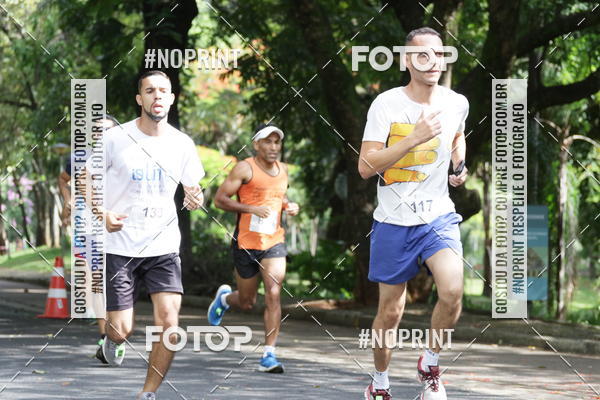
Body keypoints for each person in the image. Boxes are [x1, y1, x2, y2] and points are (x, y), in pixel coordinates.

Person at [358, 27, 469, 400]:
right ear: (407, 61)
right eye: (423, 55)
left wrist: (459, 165)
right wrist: (413, 138)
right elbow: (365, 166)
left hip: (437, 217)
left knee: (452, 290)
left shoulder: (456, 102)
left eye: (439, 54)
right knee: (391, 312)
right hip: (393, 222)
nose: (432, 61)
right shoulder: (386, 105)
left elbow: (457, 136)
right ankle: (380, 382)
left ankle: (430, 363)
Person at [89, 70, 205, 400]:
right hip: (120, 246)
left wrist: (196, 197)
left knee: (169, 323)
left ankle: (148, 393)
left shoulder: (182, 144)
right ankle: (112, 339)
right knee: (120, 330)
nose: (157, 96)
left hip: (163, 246)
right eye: (150, 90)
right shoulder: (115, 139)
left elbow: (194, 188)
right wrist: (103, 213)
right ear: (140, 98)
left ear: (171, 98)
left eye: (163, 91)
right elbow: (84, 179)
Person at [208, 123, 299, 373]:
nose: (273, 147)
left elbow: (278, 196)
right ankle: (225, 299)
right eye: (267, 141)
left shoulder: (283, 170)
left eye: (277, 142)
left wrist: (289, 206)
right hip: (246, 243)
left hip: (274, 242)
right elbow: (219, 200)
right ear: (256, 144)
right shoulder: (244, 168)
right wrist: (251, 209)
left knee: (273, 293)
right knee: (247, 301)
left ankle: (269, 354)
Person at [57, 114, 118, 363]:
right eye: (97, 131)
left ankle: (117, 330)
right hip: (89, 228)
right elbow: (63, 180)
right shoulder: (78, 158)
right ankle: (105, 337)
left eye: (107, 130)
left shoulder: (126, 158)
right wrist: (68, 201)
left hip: (119, 228)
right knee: (97, 281)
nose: (102, 134)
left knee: (118, 281)